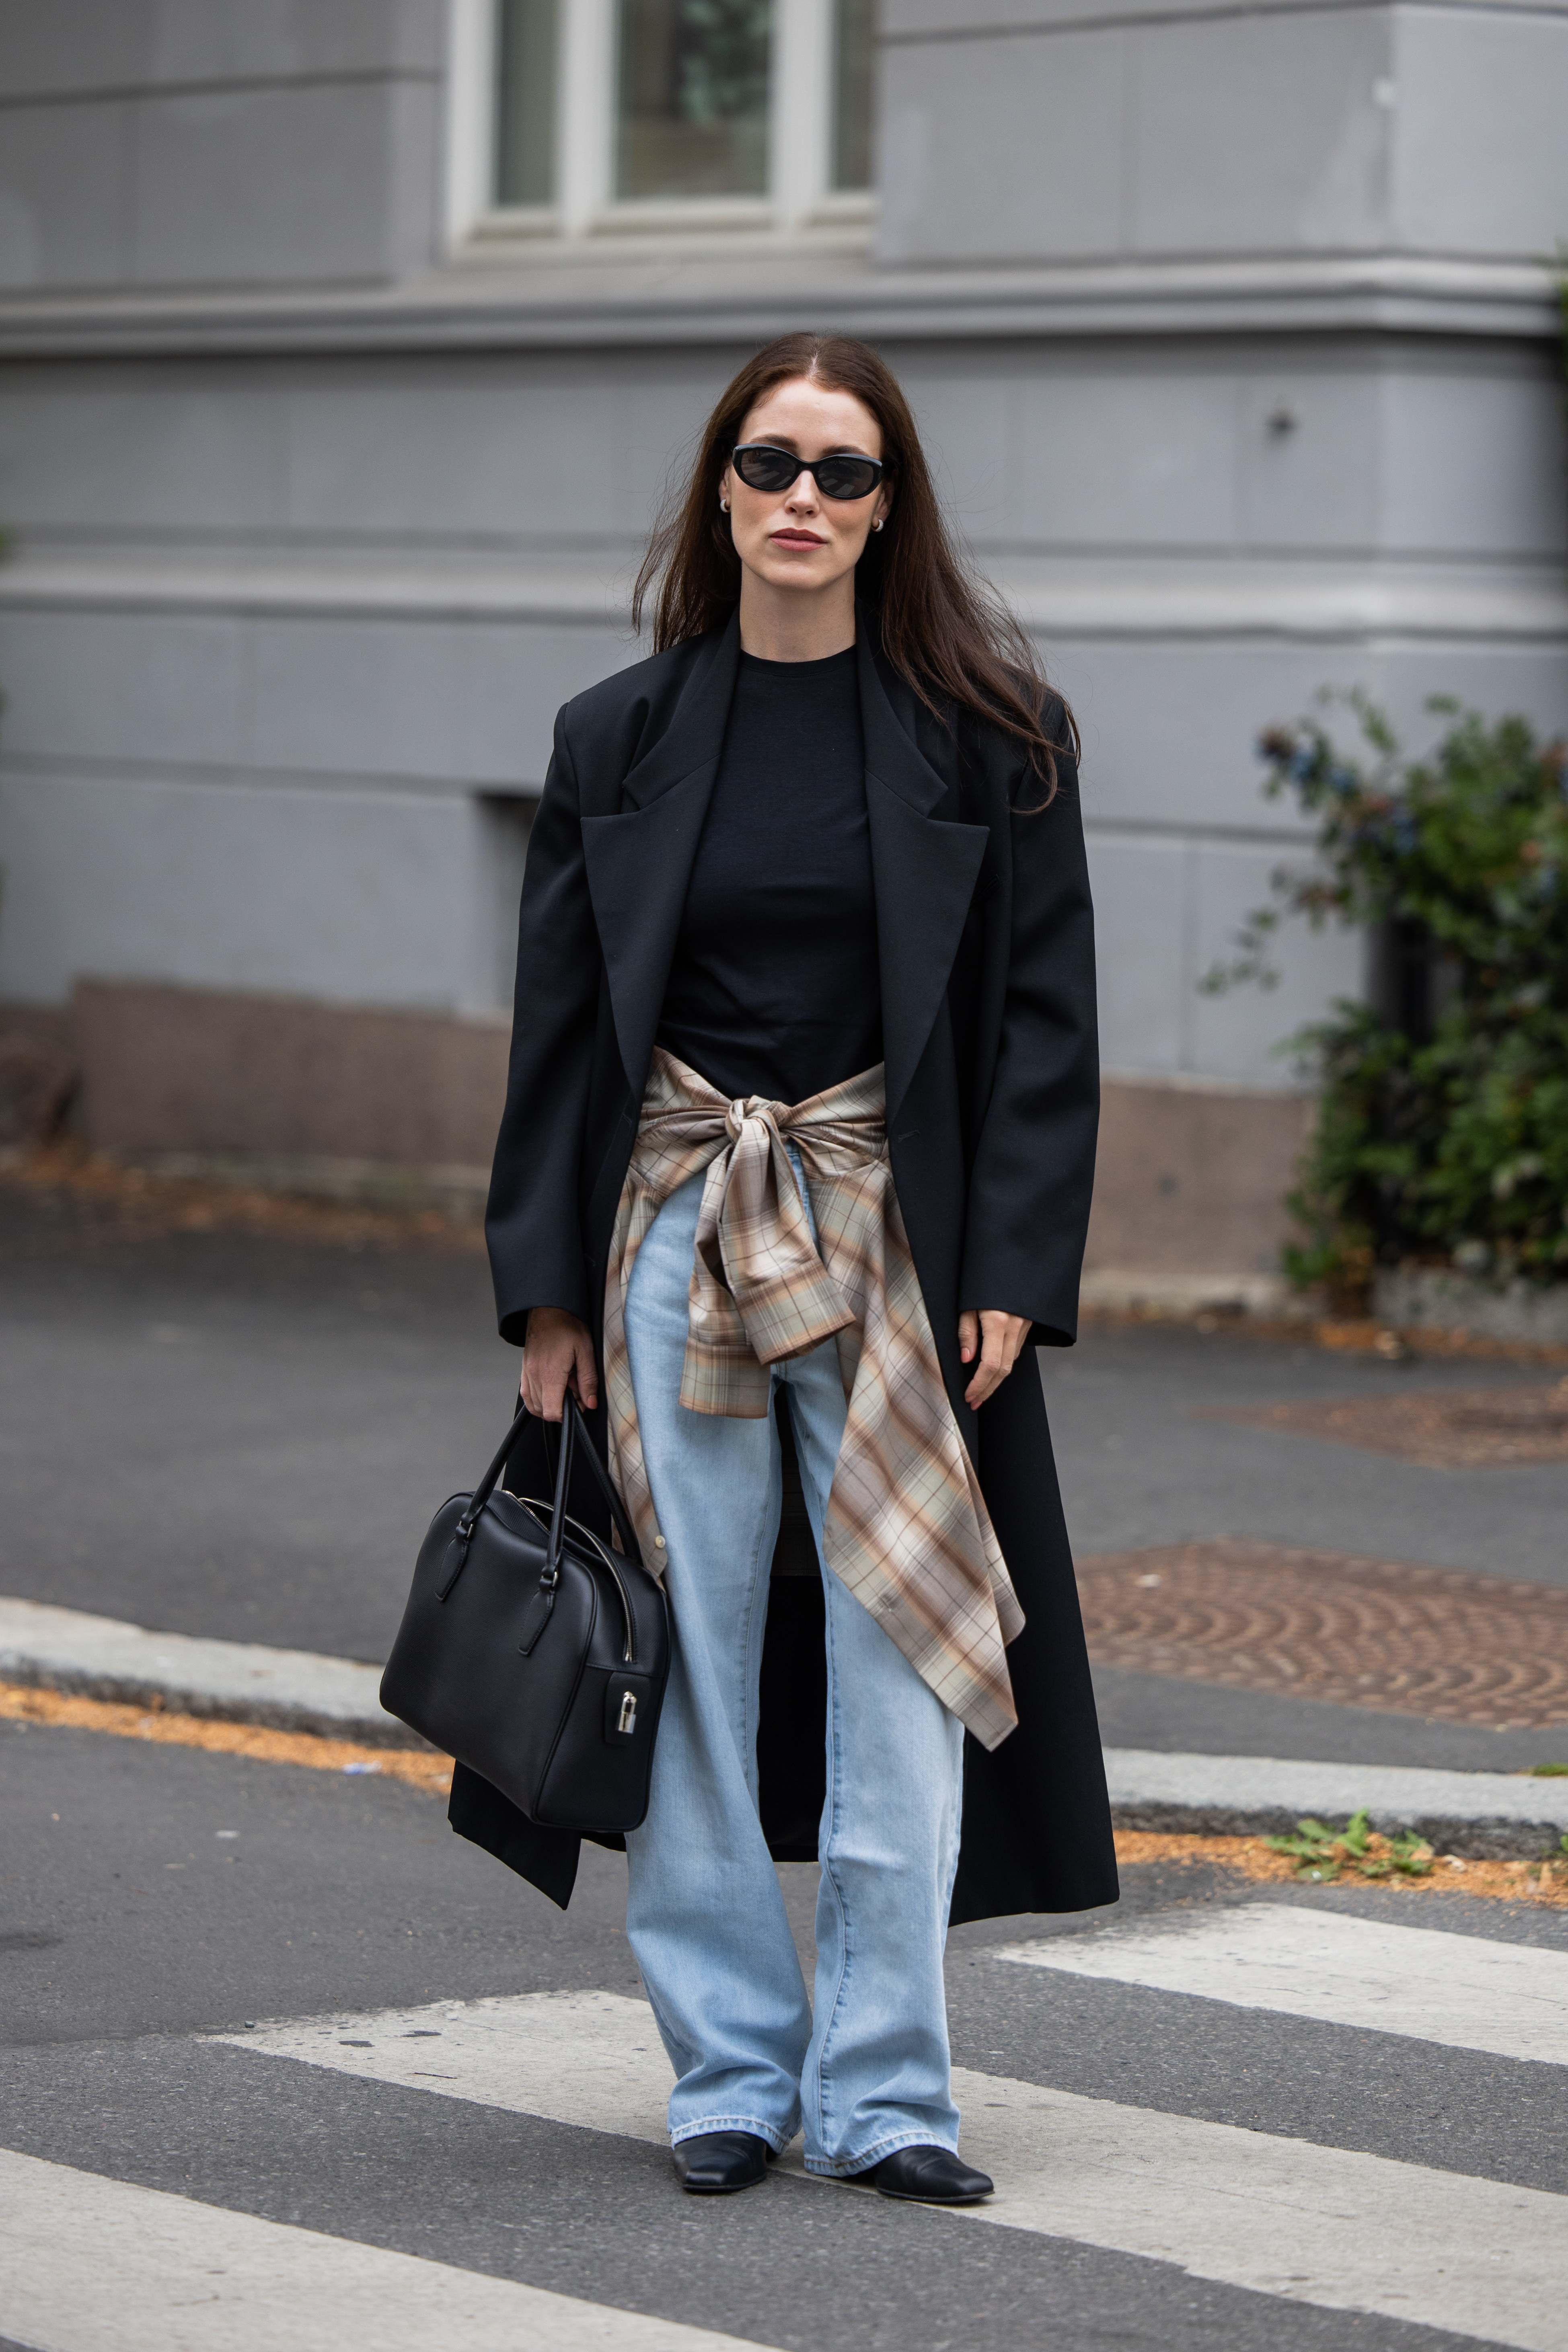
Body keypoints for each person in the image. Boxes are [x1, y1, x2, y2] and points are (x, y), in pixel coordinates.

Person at [457, 331, 1117, 2205]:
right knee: (693, 1661)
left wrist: (1015, 1258)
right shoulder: (619, 736)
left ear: (891, 502)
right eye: (771, 465)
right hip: (672, 1231)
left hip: (893, 1245)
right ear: (721, 492)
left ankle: (893, 2087)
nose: (803, 500)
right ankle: (732, 2069)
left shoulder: (999, 738)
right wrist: (550, 1300)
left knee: (909, 1646)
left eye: (842, 470)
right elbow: (563, 1035)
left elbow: (1048, 1024)